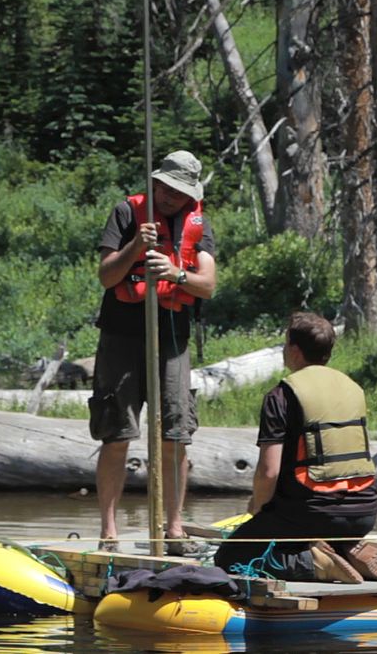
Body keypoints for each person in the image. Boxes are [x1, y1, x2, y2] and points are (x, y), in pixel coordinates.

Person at [89, 150, 217, 556]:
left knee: (175, 436)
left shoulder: (199, 223)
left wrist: (177, 274)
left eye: (180, 193)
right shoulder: (127, 213)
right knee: (117, 433)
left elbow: (208, 285)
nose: (170, 198)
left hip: (172, 340)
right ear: (156, 182)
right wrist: (134, 251)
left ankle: (173, 528)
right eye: (166, 188)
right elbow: (107, 276)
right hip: (121, 337)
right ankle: (109, 533)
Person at [213, 312, 377, 583]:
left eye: (286, 344)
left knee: (231, 556)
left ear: (295, 350)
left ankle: (315, 563)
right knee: (288, 533)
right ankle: (344, 550)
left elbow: (268, 472)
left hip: (311, 514)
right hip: (365, 512)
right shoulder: (353, 388)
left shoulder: (281, 396)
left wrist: (258, 510)